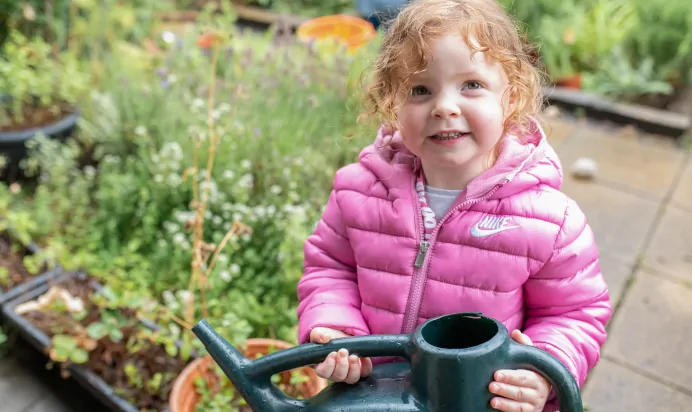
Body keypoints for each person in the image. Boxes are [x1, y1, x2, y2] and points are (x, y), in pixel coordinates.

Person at [296, 0, 612, 411]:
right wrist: (336, 328)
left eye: (471, 85)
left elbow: (576, 314)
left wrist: (543, 369)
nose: (445, 106)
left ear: (511, 98)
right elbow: (330, 267)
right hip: (376, 397)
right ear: (393, 104)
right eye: (420, 90)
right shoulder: (357, 192)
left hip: (478, 400)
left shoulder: (549, 221)